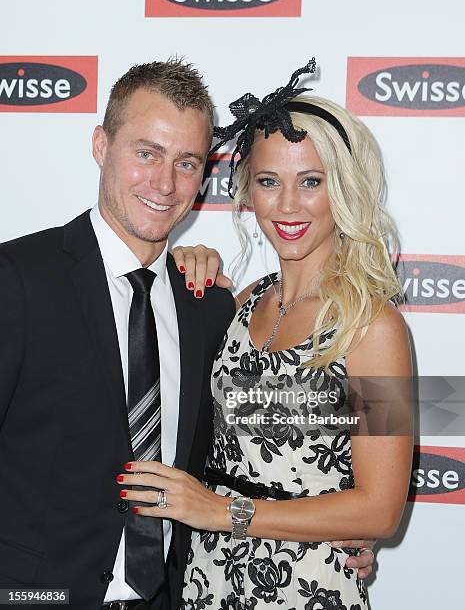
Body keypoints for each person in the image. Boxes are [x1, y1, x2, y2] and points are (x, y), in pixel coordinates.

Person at [117, 60, 413, 609]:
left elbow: (380, 509)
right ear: (247, 191)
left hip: (306, 586)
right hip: (206, 577)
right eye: (269, 182)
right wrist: (179, 264)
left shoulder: (373, 327)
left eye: (312, 182)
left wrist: (224, 512)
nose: (289, 205)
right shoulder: (242, 301)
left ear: (342, 190)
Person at [0, 59, 236, 610]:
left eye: (186, 162)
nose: (164, 183)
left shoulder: (210, 305)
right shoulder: (18, 280)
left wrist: (344, 525)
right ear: (101, 144)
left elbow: (244, 455)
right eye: (146, 152)